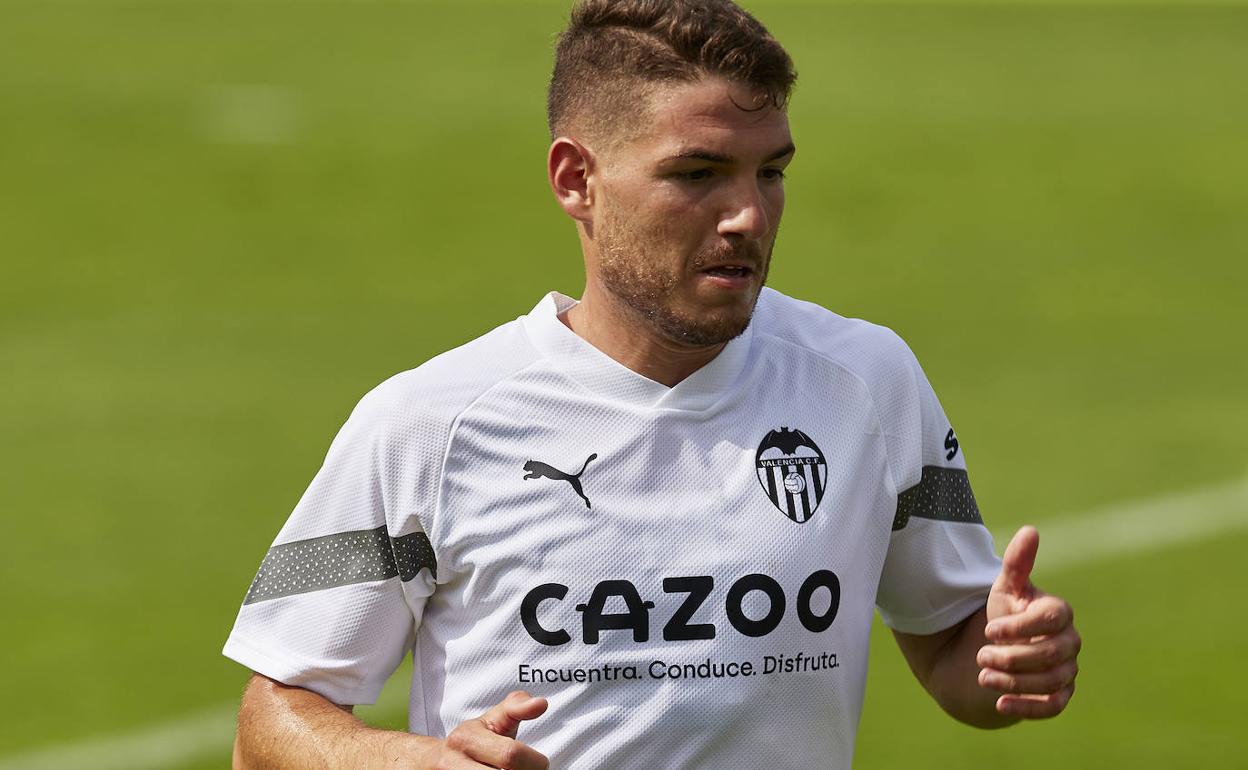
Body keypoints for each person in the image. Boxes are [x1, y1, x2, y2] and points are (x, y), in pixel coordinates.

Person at [224, 1, 1081, 767]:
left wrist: (1007, 659)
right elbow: (271, 722)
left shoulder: (865, 382)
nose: (747, 214)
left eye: (770, 171)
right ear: (576, 180)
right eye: (697, 174)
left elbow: (951, 654)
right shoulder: (432, 424)